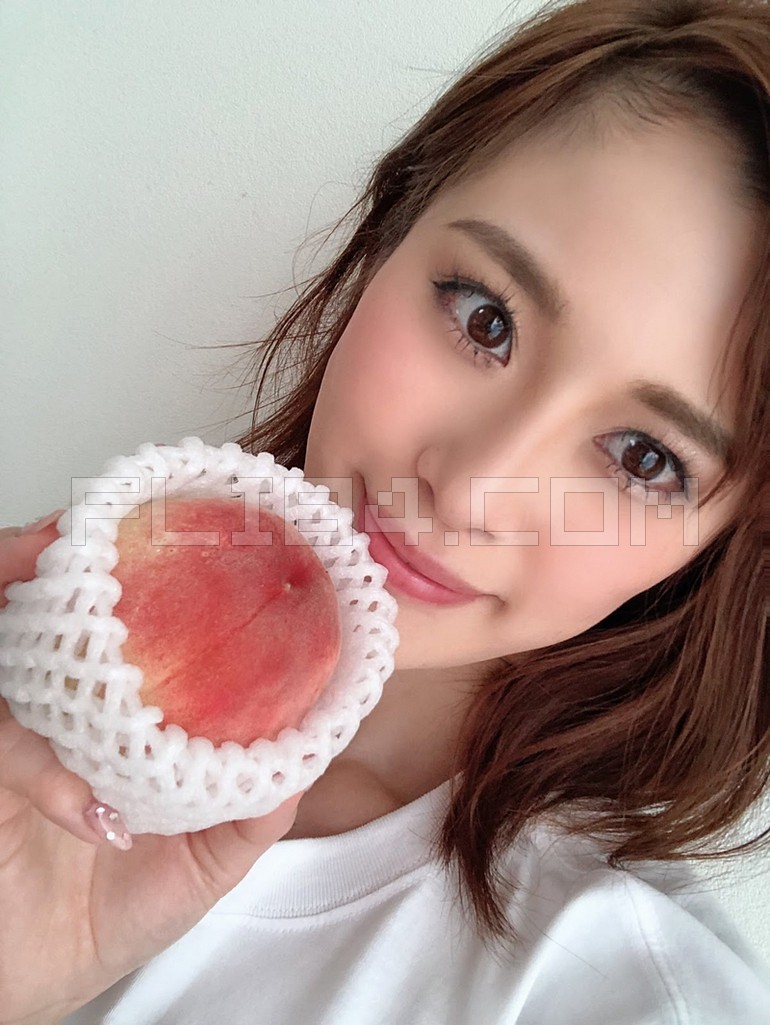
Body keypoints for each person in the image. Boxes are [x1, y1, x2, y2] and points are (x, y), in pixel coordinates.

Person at [2, 0, 770, 1021]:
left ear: (728, 535)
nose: (469, 488)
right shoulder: (48, 644)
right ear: (389, 231)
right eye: (484, 319)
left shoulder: (625, 990)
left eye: (643, 458)